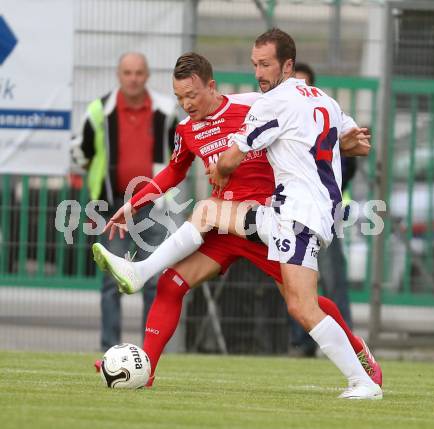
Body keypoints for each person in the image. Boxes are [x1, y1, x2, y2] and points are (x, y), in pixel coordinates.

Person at [92, 51, 381, 397]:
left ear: (211, 86)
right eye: (179, 97)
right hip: (225, 229)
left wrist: (344, 142)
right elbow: (173, 172)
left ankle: (357, 349)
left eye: (192, 95)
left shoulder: (254, 105)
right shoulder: (186, 130)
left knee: (303, 302)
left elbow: (304, 126)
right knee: (173, 283)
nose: (186, 104)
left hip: (267, 221)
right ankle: (145, 369)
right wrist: (133, 202)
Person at [71, 52, 176, 351]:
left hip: (153, 206)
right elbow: (82, 152)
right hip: (111, 206)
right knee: (110, 281)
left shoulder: (166, 111)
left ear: (147, 75)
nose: (133, 78)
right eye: (128, 72)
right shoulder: (98, 111)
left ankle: (149, 351)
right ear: (119, 75)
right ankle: (109, 350)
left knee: (154, 280)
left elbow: (179, 155)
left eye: (139, 72)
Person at [288, 62, 356, 358]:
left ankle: (349, 342)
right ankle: (302, 343)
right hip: (293, 215)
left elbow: (349, 161)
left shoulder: (327, 119)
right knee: (297, 283)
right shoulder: (285, 121)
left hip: (328, 216)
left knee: (332, 279)